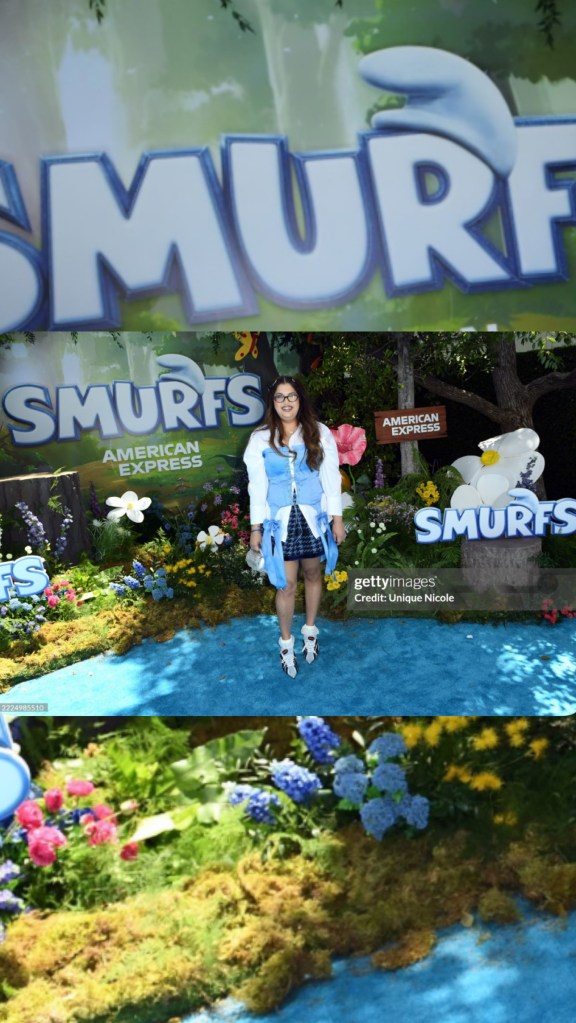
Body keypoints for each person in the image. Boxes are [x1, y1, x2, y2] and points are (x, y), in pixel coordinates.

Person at [243, 375, 345, 678]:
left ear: (300, 399)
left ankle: (310, 632)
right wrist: (256, 528)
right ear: (272, 402)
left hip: (313, 519)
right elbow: (256, 487)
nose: (286, 402)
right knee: (286, 585)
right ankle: (286, 645)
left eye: (291, 396)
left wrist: (337, 519)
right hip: (281, 522)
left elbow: (331, 477)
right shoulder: (260, 438)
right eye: (279, 397)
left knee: (313, 574)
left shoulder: (319, 432)